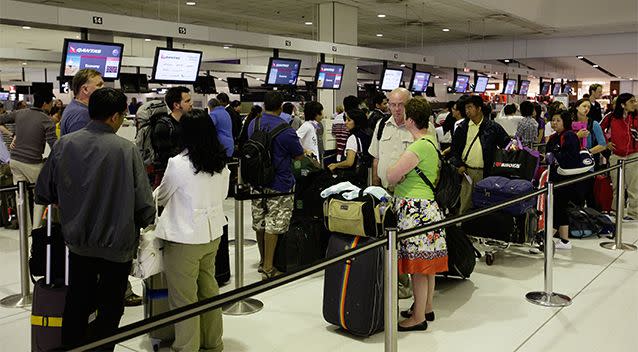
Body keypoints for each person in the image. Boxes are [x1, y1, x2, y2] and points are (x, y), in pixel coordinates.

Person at [34, 88, 155, 350]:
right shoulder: (126, 150)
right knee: (111, 307)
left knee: (77, 301)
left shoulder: (65, 144)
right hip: (117, 246)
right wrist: (148, 220)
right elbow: (144, 201)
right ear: (113, 117)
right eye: (122, 115)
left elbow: (43, 191)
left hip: (78, 243)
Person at [153, 109, 229, 352]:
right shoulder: (221, 162)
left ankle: (187, 347)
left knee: (184, 299)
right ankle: (212, 343)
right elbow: (223, 194)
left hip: (184, 239)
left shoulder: (178, 164)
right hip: (212, 235)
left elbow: (161, 196)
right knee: (209, 291)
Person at [386, 98, 448, 332]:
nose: (398, 112)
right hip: (428, 208)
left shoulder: (418, 146)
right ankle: (426, 307)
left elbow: (392, 175)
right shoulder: (431, 141)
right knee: (427, 265)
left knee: (418, 268)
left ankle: (418, 317)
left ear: (411, 120)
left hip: (415, 211)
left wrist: (395, 172)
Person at [247, 91, 304, 279]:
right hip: (279, 183)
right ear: (281, 107)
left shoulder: (252, 124)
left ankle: (263, 260)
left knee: (260, 221)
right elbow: (298, 155)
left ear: (264, 106)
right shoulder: (286, 130)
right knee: (274, 224)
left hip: (256, 182)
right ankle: (269, 268)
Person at [368, 87, 414, 299]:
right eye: (392, 104)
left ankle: (405, 285)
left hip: (408, 194)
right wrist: (375, 185)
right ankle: (389, 281)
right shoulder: (381, 125)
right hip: (385, 192)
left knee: (405, 241)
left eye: (401, 105)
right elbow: (376, 157)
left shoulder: (419, 126)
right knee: (387, 239)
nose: (396, 109)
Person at [0, 91, 57, 235]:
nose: (51, 106)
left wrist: (17, 135)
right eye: (51, 103)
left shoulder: (20, 113)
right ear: (45, 104)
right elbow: (54, 146)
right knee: (40, 196)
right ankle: (36, 230)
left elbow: (2, 119)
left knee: (21, 197)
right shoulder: (47, 120)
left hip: (15, 162)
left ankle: (25, 229)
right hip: (32, 164)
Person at [450, 95, 511, 214]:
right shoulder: (462, 128)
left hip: (488, 172)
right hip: (468, 172)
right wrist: (459, 165)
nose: (467, 110)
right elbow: (454, 150)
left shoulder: (493, 127)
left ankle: (482, 228)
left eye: (470, 107)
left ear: (479, 108)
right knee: (466, 203)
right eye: (466, 108)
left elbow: (507, 144)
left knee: (486, 203)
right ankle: (463, 228)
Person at [545, 110, 583, 249]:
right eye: (553, 120)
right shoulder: (555, 137)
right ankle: (565, 241)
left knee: (557, 208)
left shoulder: (569, 136)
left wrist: (556, 156)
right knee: (560, 208)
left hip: (565, 179)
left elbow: (571, 158)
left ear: (565, 122)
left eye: (558, 120)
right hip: (556, 178)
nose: (554, 123)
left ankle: (545, 240)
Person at [600, 93, 638, 221]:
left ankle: (634, 213)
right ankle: (617, 211)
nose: (635, 103)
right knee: (617, 186)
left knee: (634, 187)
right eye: (632, 101)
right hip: (616, 155)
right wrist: (606, 142)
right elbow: (599, 129)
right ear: (623, 104)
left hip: (634, 155)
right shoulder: (610, 117)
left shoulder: (636, 117)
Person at [152, 86, 192, 185]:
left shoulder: (188, 122)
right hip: (167, 175)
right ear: (176, 105)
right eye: (187, 101)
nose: (191, 104)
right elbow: (165, 154)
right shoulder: (163, 126)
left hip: (185, 173)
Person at [327, 109, 371, 187]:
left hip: (352, 179)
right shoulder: (367, 134)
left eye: (349, 120)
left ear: (357, 122)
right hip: (364, 176)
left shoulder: (353, 138)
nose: (345, 122)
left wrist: (336, 165)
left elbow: (349, 162)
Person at [60, 69, 104, 135]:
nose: (104, 88)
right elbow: (83, 144)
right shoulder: (82, 115)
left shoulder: (74, 106)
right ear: (85, 89)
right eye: (99, 85)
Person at [332, 96, 359, 161]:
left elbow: (333, 133)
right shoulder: (355, 119)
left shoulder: (336, 118)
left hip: (339, 154)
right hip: (351, 155)